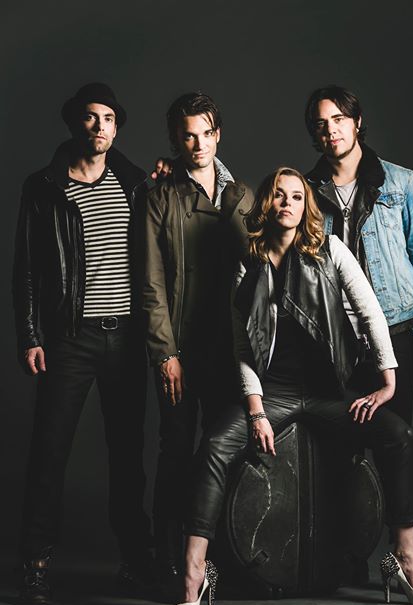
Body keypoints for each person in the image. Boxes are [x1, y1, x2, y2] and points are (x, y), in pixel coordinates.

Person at [171, 167, 413, 605]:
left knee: (400, 437)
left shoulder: (330, 250)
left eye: (297, 196)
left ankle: (405, 558)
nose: (288, 203)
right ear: (267, 204)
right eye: (279, 195)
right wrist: (256, 410)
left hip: (328, 392)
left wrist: (387, 380)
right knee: (215, 445)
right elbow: (243, 347)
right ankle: (194, 570)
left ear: (306, 206)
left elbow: (370, 313)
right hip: (273, 393)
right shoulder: (249, 264)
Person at [12, 83, 152, 605]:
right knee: (50, 452)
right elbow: (26, 268)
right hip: (69, 337)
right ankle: (35, 565)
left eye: (109, 118)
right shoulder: (44, 187)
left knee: (128, 456)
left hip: (126, 338)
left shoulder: (135, 182)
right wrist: (31, 336)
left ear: (117, 128)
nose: (100, 127)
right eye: (91, 117)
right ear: (75, 123)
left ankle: (135, 561)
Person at [304, 85, 413, 595]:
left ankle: (412, 556)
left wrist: (394, 313)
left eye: (339, 119)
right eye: (322, 123)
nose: (332, 130)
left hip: (393, 336)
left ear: (357, 122)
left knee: (397, 445)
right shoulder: (307, 189)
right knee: (341, 449)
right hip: (336, 342)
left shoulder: (400, 182)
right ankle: (350, 557)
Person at [143, 92, 254, 580]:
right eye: (188, 135)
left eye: (206, 133)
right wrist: (165, 352)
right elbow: (150, 283)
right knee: (175, 450)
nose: (199, 144)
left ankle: (223, 557)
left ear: (218, 134)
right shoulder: (160, 196)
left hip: (230, 350)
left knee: (225, 449)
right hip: (181, 350)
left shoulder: (243, 196)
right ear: (176, 139)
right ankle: (168, 557)